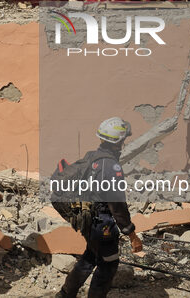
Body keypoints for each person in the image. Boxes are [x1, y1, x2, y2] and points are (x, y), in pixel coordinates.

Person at [57, 117, 143, 298]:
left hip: (87, 221)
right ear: (119, 141)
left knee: (89, 257)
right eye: (124, 139)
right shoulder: (111, 166)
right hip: (102, 225)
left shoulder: (91, 157)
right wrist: (132, 234)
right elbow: (117, 205)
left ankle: (65, 294)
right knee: (108, 266)